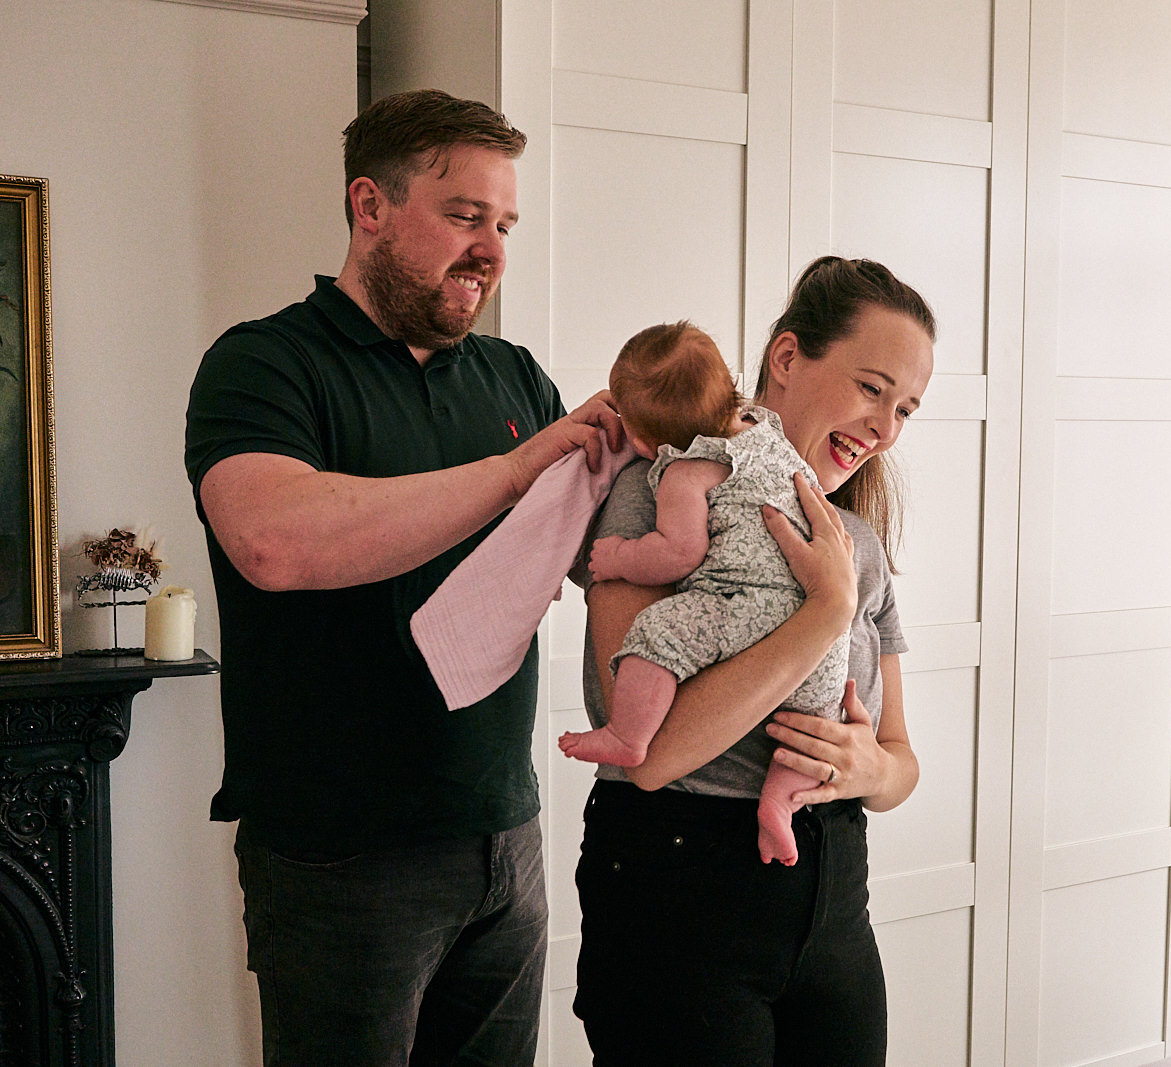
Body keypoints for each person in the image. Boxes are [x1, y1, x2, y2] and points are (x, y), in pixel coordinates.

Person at [183, 88, 622, 1067]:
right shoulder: (266, 365)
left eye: (503, 224)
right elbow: (272, 539)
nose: (492, 248)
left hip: (506, 836)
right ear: (369, 206)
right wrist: (513, 472)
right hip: (341, 860)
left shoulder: (515, 380)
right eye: (465, 215)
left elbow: (597, 562)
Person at [571, 256, 936, 1065]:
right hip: (680, 890)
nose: (886, 426)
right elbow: (657, 755)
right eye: (872, 387)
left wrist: (865, 770)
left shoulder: (858, 543)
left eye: (906, 407)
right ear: (786, 358)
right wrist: (824, 614)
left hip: (835, 895)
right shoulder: (664, 491)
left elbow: (902, 761)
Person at [557, 320, 849, 865]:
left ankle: (627, 732)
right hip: (816, 635)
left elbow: (679, 553)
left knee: (656, 633)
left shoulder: (685, 472)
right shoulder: (769, 434)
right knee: (809, 723)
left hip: (744, 605)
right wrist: (831, 609)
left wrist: (620, 555)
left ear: (645, 441)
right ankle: (780, 805)